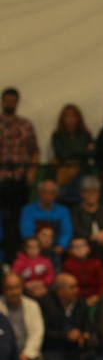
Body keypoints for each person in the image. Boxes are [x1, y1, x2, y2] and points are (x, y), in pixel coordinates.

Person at [0, 87, 40, 261]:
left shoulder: (25, 124)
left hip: (19, 178)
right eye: (6, 100)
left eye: (13, 100)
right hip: (1, 177)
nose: (10, 103)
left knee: (16, 220)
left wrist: (31, 172)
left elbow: (35, 151)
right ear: (2, 101)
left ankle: (14, 258)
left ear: (17, 102)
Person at [38, 273, 92, 360]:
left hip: (76, 348)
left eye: (76, 286)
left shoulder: (81, 303)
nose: (76, 290)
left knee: (90, 359)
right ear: (60, 291)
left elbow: (88, 326)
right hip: (53, 348)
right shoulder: (45, 304)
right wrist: (65, 335)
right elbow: (43, 332)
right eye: (72, 287)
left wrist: (84, 335)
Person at [0, 273, 45, 360]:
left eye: (17, 287)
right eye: (10, 288)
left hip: (26, 353)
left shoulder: (32, 305)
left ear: (22, 288)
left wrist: (26, 354)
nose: (14, 292)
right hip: (3, 354)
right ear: (3, 290)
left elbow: (37, 333)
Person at [51, 103, 95, 206]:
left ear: (78, 118)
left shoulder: (85, 135)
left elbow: (92, 153)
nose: (70, 119)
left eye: (73, 115)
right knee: (61, 195)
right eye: (67, 115)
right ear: (62, 118)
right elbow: (62, 154)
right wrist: (82, 150)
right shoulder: (57, 135)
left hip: (82, 172)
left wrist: (72, 151)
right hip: (64, 174)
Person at [70, 175, 103, 264]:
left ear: (99, 194)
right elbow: (76, 230)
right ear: (82, 194)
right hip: (85, 246)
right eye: (88, 192)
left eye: (95, 192)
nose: (91, 195)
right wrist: (92, 237)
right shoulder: (76, 211)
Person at [19, 179, 73, 255]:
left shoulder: (63, 211)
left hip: (57, 249)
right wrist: (36, 245)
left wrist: (62, 245)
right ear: (39, 193)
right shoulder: (28, 210)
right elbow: (27, 232)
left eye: (52, 193)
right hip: (34, 249)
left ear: (56, 194)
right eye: (45, 192)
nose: (48, 196)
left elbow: (66, 232)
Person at [62, 236, 103, 307]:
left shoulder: (96, 263)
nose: (79, 249)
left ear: (89, 249)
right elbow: (67, 287)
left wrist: (97, 296)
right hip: (75, 300)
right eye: (76, 246)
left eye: (82, 246)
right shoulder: (67, 265)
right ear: (70, 250)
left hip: (96, 298)